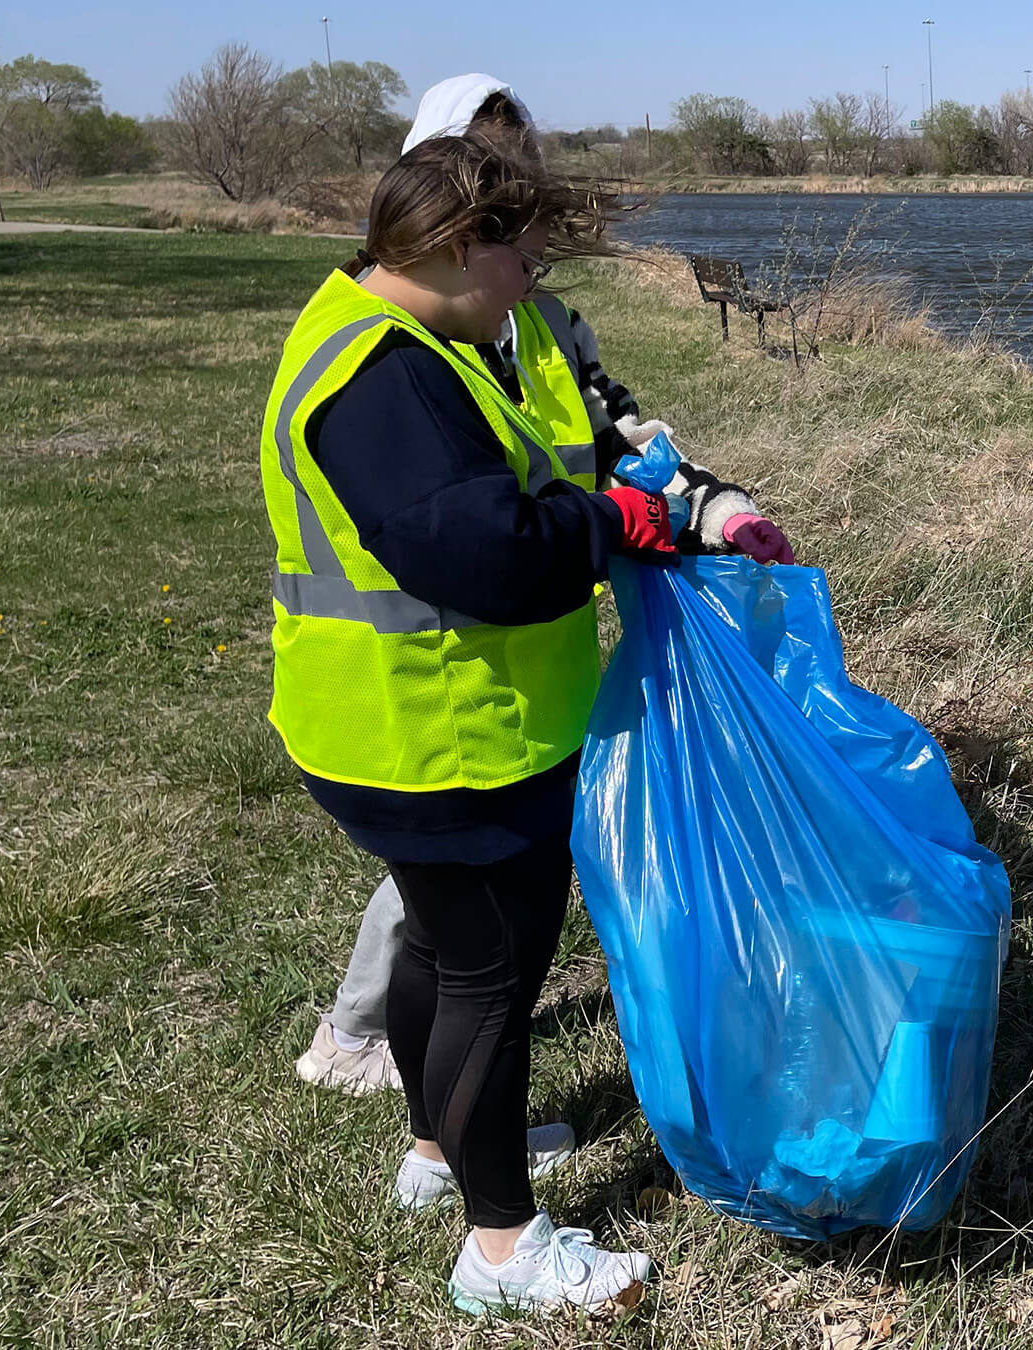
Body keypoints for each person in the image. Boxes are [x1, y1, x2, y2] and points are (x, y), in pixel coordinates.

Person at [294, 75, 790, 1097]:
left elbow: (627, 452)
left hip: (513, 699)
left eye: (527, 190)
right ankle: (454, 1170)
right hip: (428, 712)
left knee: (451, 929)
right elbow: (478, 541)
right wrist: (612, 524)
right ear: (435, 205)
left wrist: (713, 509)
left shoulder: (548, 329)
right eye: (495, 195)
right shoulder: (395, 356)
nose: (524, 228)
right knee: (465, 940)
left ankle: (429, 1127)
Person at [263, 134, 678, 1313]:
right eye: (527, 257)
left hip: (384, 731)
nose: (534, 282)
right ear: (460, 244)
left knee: (441, 953)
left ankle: (435, 1153)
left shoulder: (375, 330)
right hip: (444, 740)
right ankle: (505, 1250)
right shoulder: (383, 381)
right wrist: (611, 530)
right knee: (490, 978)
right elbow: (478, 549)